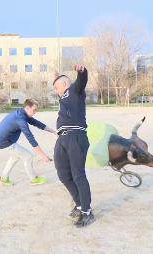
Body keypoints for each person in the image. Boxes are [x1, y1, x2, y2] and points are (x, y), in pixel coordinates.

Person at [53, 64, 95, 228]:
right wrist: (56, 76)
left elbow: (82, 80)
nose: (56, 91)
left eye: (57, 87)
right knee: (63, 174)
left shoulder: (75, 91)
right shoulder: (62, 97)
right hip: (62, 138)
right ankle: (79, 205)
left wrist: (82, 71)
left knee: (78, 175)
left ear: (65, 85)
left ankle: (87, 212)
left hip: (76, 137)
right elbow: (58, 81)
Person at [0, 98, 56, 186]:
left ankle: (4, 178)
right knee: (28, 156)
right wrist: (43, 155)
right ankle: (33, 179)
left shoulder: (23, 113)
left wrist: (54, 132)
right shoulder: (20, 119)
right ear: (27, 108)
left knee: (15, 157)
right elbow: (30, 138)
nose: (35, 112)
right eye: (34, 110)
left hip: (2, 140)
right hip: (3, 141)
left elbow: (38, 124)